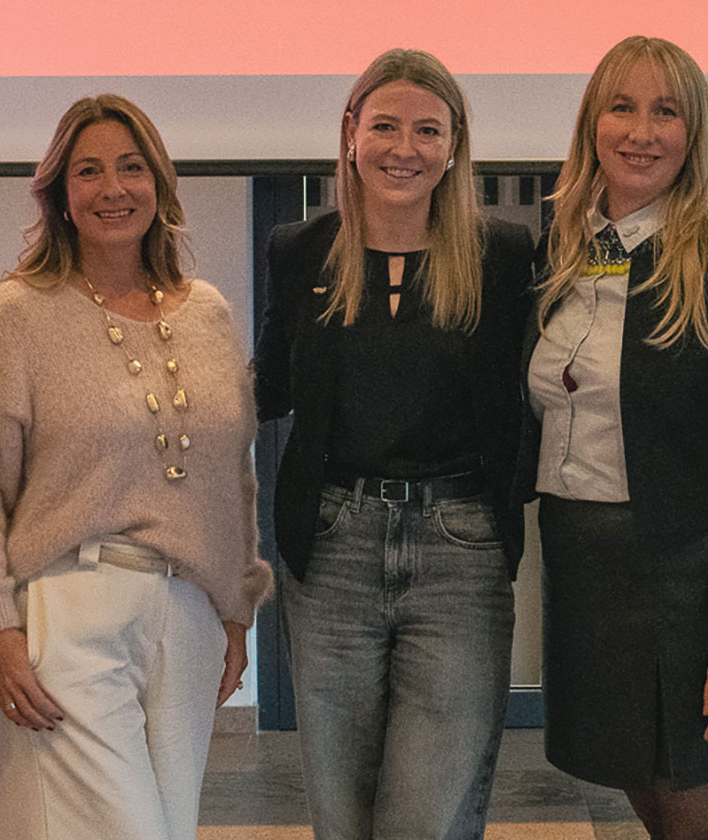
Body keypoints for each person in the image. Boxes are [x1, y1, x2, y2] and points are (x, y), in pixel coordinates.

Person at [0, 93, 272, 840]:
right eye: (88, 171)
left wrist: (236, 610)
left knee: (168, 829)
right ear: (59, 192)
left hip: (188, 618)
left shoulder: (206, 312)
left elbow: (232, 479)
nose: (113, 189)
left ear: (160, 183)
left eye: (130, 167)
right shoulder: (13, 316)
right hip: (70, 608)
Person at [252, 48, 534, 840]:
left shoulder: (506, 255)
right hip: (333, 545)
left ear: (453, 146)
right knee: (341, 815)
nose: (403, 148)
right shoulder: (300, 250)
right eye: (384, 125)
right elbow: (268, 387)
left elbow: (569, 354)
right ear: (350, 133)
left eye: (426, 130)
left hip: (462, 549)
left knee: (424, 816)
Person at [521, 36, 708, 840]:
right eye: (623, 106)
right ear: (591, 125)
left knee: (701, 815)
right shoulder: (556, 254)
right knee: (648, 803)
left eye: (666, 111)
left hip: (686, 583)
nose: (642, 131)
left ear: (694, 132)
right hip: (581, 567)